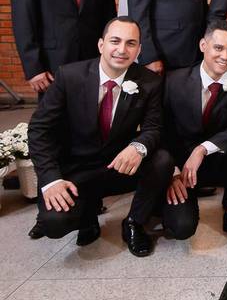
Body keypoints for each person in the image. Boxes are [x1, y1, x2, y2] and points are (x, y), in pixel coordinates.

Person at [28, 17, 173, 257]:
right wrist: (51, 180)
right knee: (55, 223)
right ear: (101, 44)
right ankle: (87, 217)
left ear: (139, 50)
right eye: (115, 41)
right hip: (77, 168)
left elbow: (154, 127)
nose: (122, 49)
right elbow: (39, 130)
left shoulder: (150, 82)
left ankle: (134, 223)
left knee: (162, 160)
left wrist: (138, 146)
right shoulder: (69, 76)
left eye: (130, 43)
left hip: (118, 164)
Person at [161, 20, 227, 246]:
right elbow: (161, 130)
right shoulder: (174, 80)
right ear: (203, 45)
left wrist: (203, 149)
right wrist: (172, 172)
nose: (225, 56)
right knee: (181, 228)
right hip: (183, 167)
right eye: (219, 48)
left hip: (219, 159)